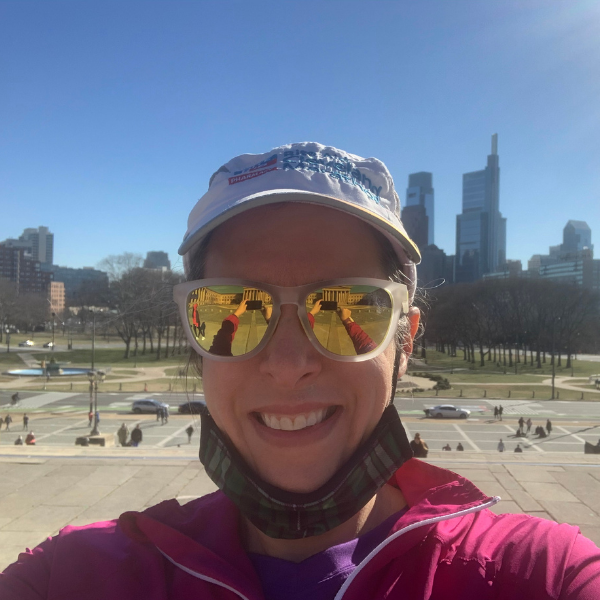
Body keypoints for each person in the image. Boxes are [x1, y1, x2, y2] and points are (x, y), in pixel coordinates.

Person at [2, 141, 599, 598]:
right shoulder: (73, 575)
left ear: (406, 339)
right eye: (233, 309)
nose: (288, 367)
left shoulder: (541, 576)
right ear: (195, 339)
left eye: (347, 308)